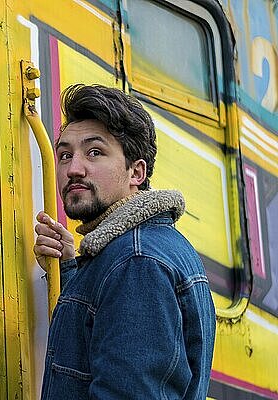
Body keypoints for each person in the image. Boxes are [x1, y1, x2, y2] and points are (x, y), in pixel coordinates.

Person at [34, 84, 216, 399]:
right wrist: (67, 267)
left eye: (95, 152)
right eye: (65, 155)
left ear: (136, 172)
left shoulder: (136, 262)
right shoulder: (145, 248)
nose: (73, 169)